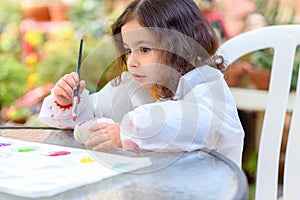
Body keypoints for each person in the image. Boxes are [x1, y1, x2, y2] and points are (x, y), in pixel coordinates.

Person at [38, 0, 244, 167]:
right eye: (128, 50)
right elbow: (91, 117)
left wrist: (130, 129)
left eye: (144, 49)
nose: (132, 62)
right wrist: (67, 103)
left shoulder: (206, 83)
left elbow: (201, 122)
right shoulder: (133, 84)